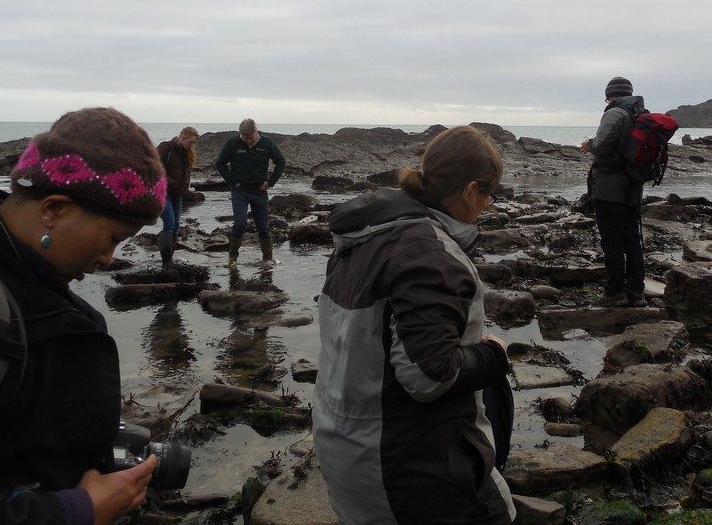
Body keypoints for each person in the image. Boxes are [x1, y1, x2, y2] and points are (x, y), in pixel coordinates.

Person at [0, 107, 167, 525]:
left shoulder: (18, 279)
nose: (108, 258)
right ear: (53, 208)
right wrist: (80, 510)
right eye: (113, 238)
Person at [313, 125, 516, 525]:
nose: (489, 206)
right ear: (470, 189)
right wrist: (492, 356)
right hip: (406, 467)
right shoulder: (429, 254)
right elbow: (427, 376)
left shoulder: (361, 238)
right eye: (489, 195)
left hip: (345, 445)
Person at [580, 76, 648, 307]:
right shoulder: (641, 114)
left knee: (612, 242)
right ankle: (637, 292)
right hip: (633, 188)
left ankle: (615, 293)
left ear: (610, 95)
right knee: (632, 240)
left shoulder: (615, 113)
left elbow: (602, 145)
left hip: (610, 188)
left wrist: (589, 144)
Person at [214, 118, 286, 267]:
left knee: (263, 227)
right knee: (240, 223)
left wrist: (270, 182)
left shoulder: (268, 143)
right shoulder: (233, 143)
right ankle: (232, 258)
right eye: (243, 137)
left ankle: (268, 260)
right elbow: (220, 163)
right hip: (240, 191)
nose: (246, 140)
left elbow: (281, 162)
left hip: (259, 191)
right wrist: (232, 182)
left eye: (249, 137)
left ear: (255, 131)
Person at [155, 126, 200, 270]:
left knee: (175, 226)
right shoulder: (166, 147)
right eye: (191, 142)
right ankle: (166, 262)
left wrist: (185, 189)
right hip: (163, 192)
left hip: (178, 194)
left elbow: (186, 173)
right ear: (183, 137)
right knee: (169, 223)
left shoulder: (187, 153)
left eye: (194, 143)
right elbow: (155, 166)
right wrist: (170, 182)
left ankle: (170, 259)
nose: (192, 145)